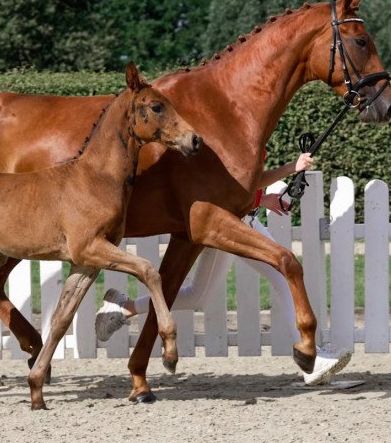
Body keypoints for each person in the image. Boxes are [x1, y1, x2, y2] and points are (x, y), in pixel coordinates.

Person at [95, 153, 351, 386]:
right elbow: (233, 183)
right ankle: (311, 359)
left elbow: (245, 180)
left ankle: (124, 307)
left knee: (199, 295)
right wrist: (287, 170)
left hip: (231, 219)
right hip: (232, 222)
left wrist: (269, 191)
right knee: (283, 276)